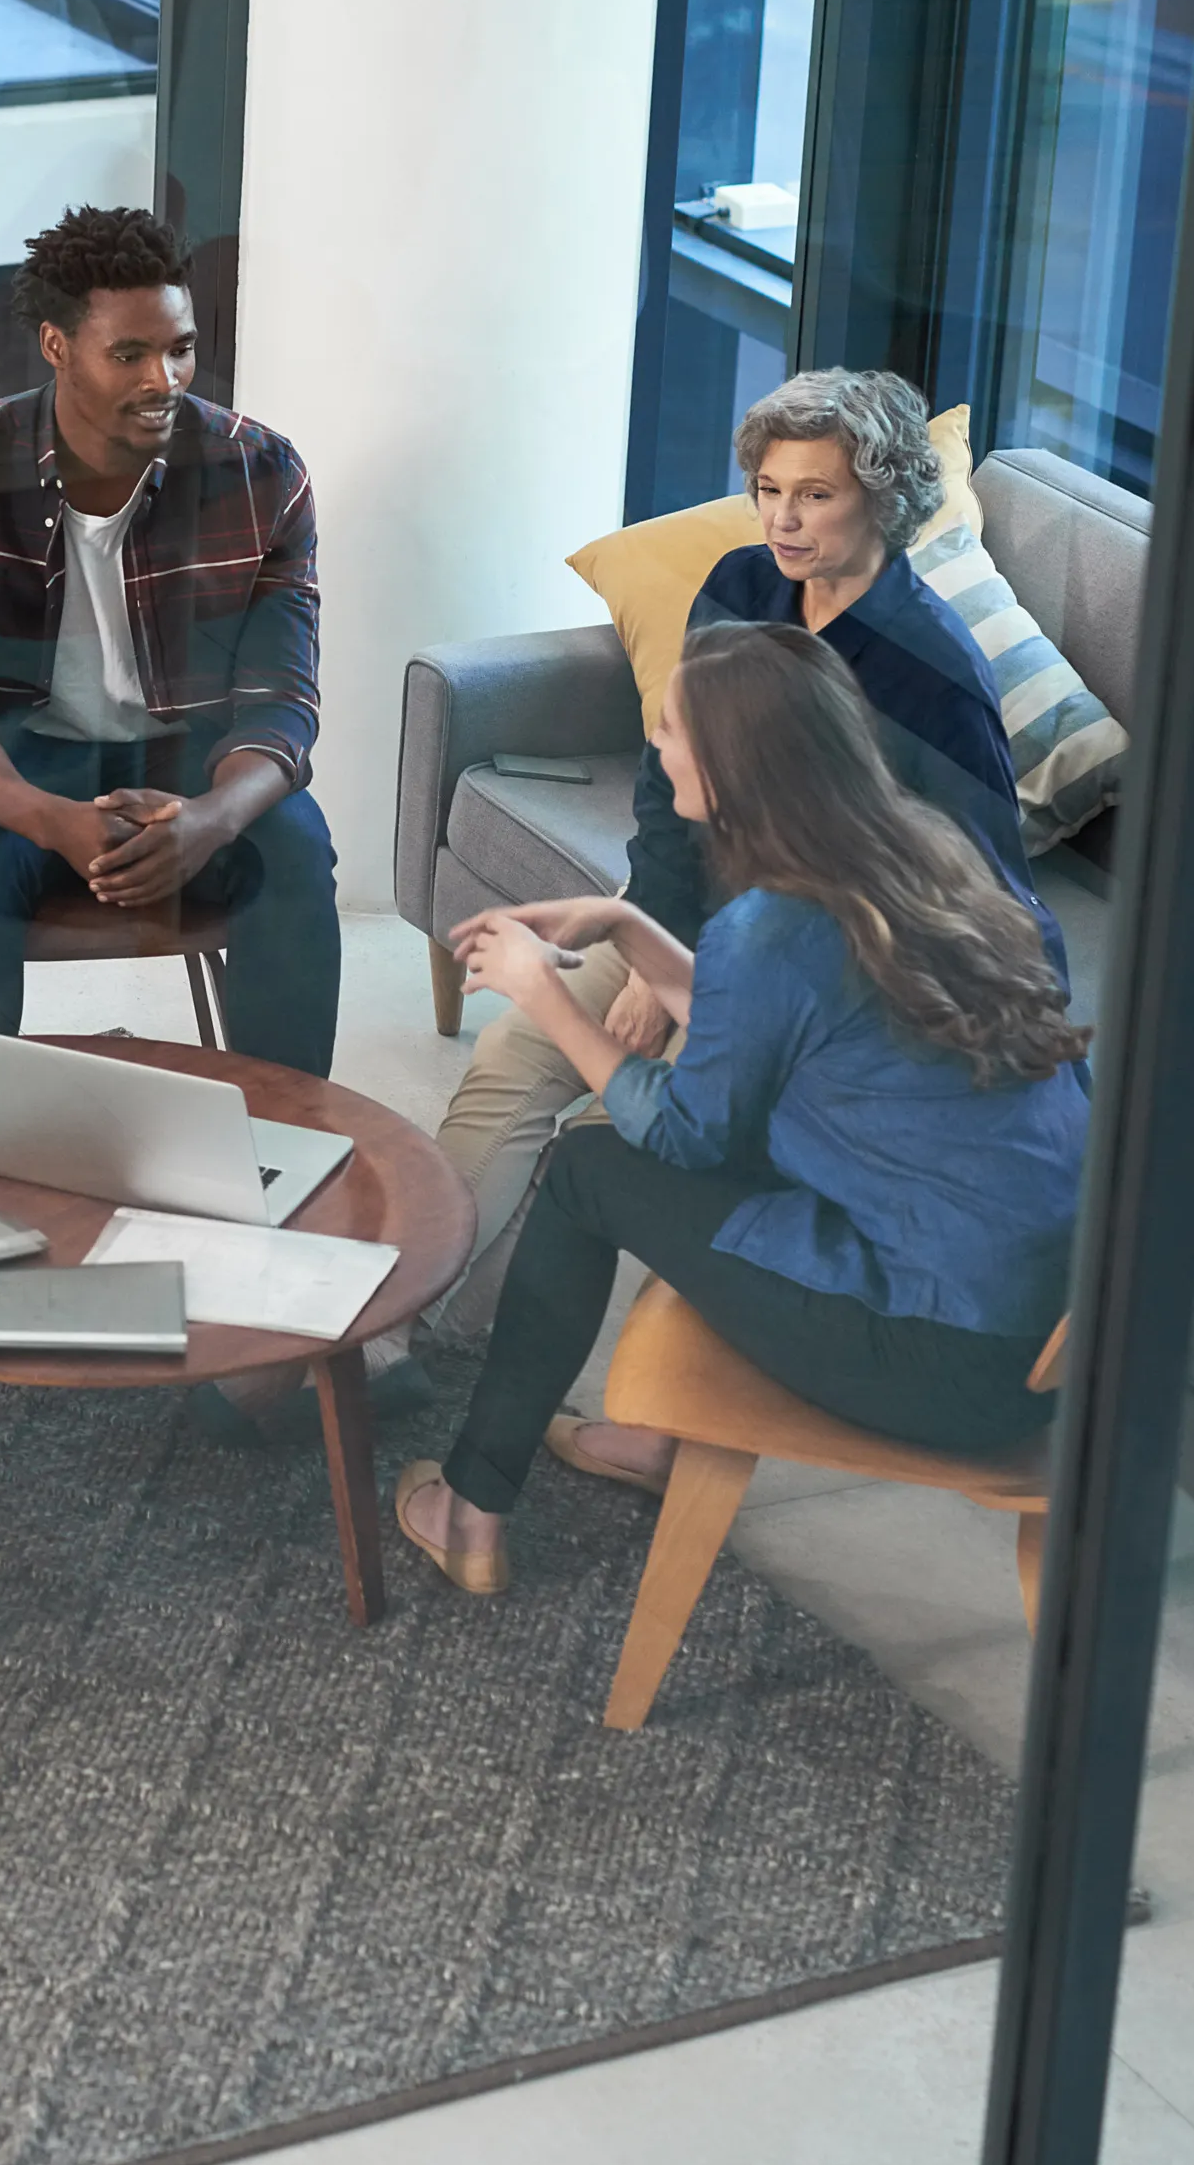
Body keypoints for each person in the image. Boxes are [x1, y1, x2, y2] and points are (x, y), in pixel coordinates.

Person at [394, 618, 1089, 1594]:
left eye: (670, 728)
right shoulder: (920, 855)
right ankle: (650, 1443)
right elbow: (767, 1038)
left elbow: (684, 1134)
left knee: (586, 1169)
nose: (656, 744)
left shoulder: (772, 925)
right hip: (1050, 1331)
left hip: (943, 1357)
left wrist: (542, 992)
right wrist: (626, 927)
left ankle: (471, 1508)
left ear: (727, 769)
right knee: (655, 1158)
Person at [418, 366, 1058, 1357]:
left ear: (882, 496)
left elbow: (981, 893)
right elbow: (667, 783)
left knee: (629, 1129)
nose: (782, 520)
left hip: (814, 982)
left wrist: (703, 992)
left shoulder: (935, 681)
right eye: (769, 489)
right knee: (514, 1059)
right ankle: (406, 1326)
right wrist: (652, 945)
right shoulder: (744, 585)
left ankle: (520, 1351)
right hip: (688, 916)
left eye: (815, 494)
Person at [0, 204, 339, 1077]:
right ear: (55, 346)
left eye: (181, 347)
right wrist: (53, 821)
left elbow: (282, 699)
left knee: (293, 847)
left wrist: (210, 820)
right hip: (11, 762)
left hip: (191, 760)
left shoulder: (262, 474)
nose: (165, 377)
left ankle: (287, 1128)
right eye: (129, 354)